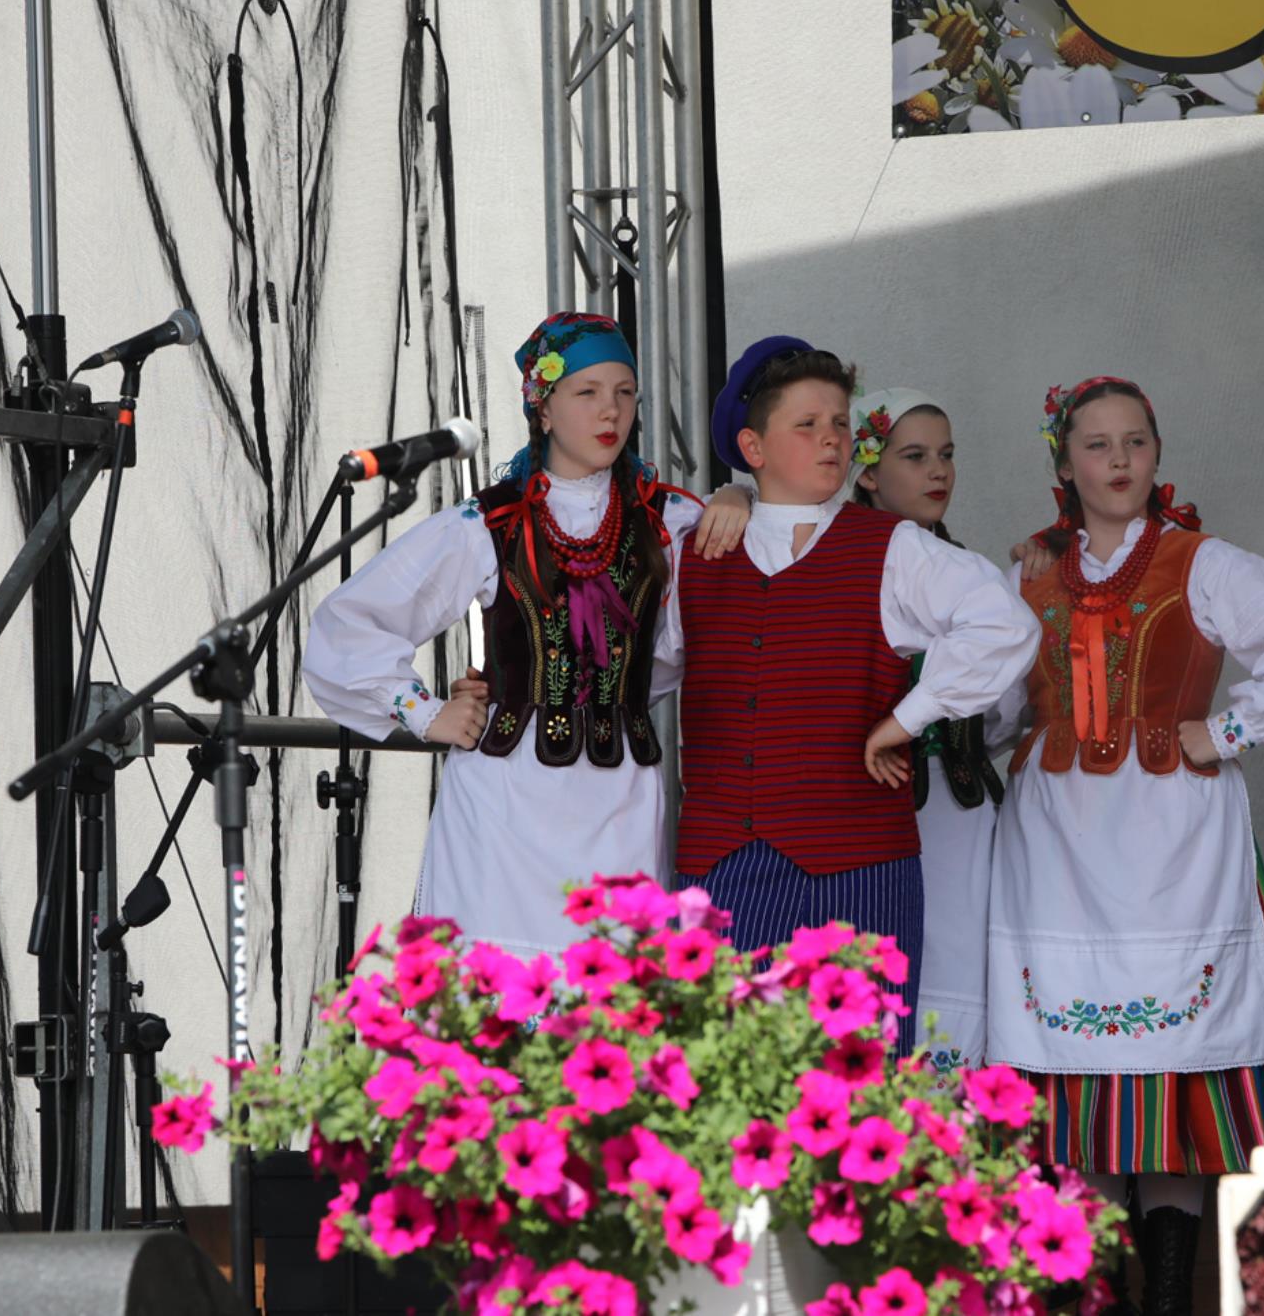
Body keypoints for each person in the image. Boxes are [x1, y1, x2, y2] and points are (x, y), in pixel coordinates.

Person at [986, 376, 1264, 1315]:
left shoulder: (1203, 562)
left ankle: (1165, 1295)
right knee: (1067, 1068)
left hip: (1173, 840)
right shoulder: (1027, 573)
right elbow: (988, 701)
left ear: (1158, 453)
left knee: (1172, 1064)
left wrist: (1228, 730)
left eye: (1136, 442)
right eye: (1097, 444)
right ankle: (1089, 1286)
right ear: (1063, 463)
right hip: (1056, 845)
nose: (1119, 460)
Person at [303, 312, 747, 958]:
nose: (611, 410)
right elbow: (349, 623)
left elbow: (707, 631)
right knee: (498, 991)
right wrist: (423, 710)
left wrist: (741, 497)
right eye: (587, 391)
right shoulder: (490, 522)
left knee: (610, 990)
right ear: (543, 408)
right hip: (503, 804)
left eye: (625, 392)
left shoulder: (669, 518)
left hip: (621, 805)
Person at [668, 337, 1039, 1057]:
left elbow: (1005, 625)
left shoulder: (893, 547)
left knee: (856, 1080)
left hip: (861, 868)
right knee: (727, 1079)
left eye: (840, 422)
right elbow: (633, 666)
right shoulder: (695, 548)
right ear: (753, 446)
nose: (832, 439)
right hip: (723, 865)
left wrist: (907, 718)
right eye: (807, 425)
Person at [850, 388, 1009, 1073]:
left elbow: (1004, 709)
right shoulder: (840, 561)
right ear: (867, 470)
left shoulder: (968, 570)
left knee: (960, 966)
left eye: (945, 454)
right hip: (875, 806)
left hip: (961, 808)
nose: (938, 471)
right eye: (914, 457)